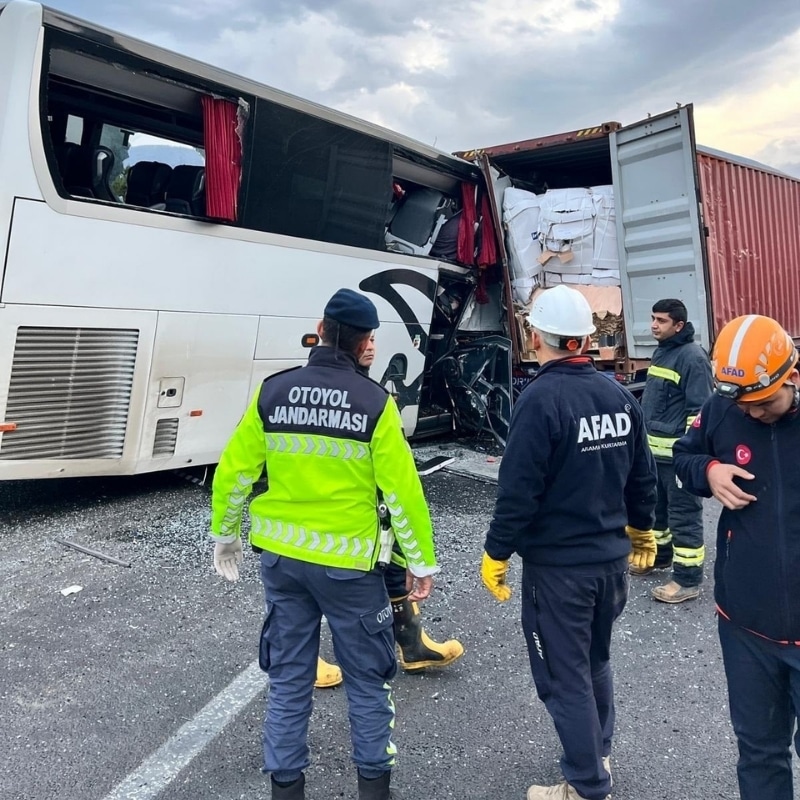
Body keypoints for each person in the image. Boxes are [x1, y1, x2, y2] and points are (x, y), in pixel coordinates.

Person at [210, 288, 439, 800]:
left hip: (283, 562)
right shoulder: (375, 403)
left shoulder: (273, 391)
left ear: (320, 329)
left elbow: (234, 473)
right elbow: (403, 492)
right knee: (368, 683)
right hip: (350, 569)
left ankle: (286, 790)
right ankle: (373, 791)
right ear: (365, 343)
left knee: (289, 681)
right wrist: (420, 561)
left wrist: (226, 534)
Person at [480, 285, 658, 800]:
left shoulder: (539, 401)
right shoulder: (618, 395)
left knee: (564, 676)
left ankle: (585, 784)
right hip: (610, 565)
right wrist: (642, 528)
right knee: (595, 660)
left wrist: (496, 551)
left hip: (560, 573)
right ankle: (598, 752)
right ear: (583, 339)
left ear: (537, 337)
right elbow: (643, 476)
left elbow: (519, 492)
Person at [673, 314, 800, 800]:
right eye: (744, 406)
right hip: (746, 624)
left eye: (765, 403)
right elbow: (683, 457)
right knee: (759, 752)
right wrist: (708, 470)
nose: (754, 414)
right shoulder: (723, 409)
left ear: (792, 377)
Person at [637, 298, 712, 603]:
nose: (654, 325)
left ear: (679, 325)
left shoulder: (692, 358)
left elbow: (700, 412)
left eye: (661, 320)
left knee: (683, 516)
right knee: (657, 511)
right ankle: (661, 556)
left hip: (678, 458)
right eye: (653, 318)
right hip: (655, 456)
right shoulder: (663, 352)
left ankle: (687, 580)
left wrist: (690, 456)